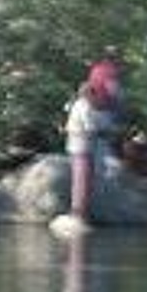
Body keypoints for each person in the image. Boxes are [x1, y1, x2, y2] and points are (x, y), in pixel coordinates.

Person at [65, 75, 104, 224]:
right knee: (83, 180)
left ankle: (77, 210)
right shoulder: (85, 106)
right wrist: (104, 131)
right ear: (89, 94)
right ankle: (79, 212)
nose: (96, 97)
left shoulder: (76, 104)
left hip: (74, 146)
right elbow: (90, 127)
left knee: (78, 179)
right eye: (94, 94)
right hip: (83, 147)